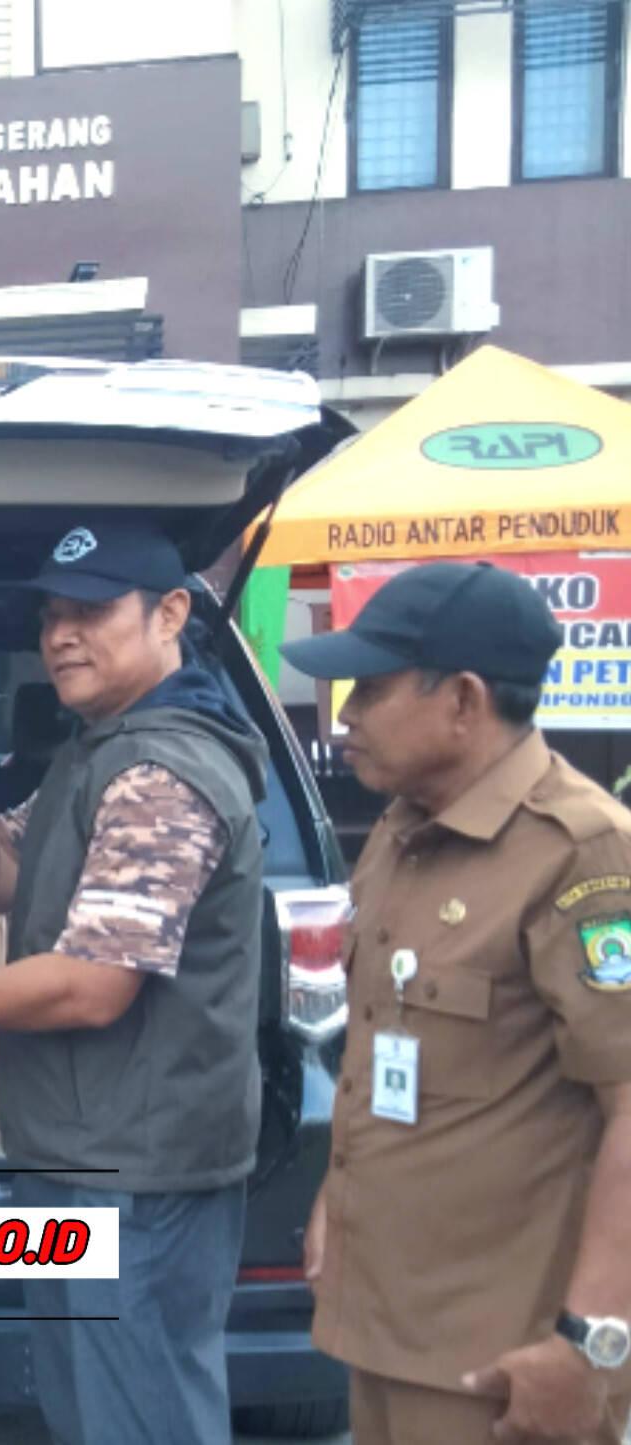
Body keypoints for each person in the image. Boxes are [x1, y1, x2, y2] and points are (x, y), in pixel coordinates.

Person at [0, 520, 269, 1445]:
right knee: (92, 1411)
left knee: (139, 1416)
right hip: (84, 1153)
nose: (61, 634)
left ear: (171, 613)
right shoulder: (99, 749)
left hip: (138, 1175)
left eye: (92, 611)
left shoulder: (160, 770)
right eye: (51, 616)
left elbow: (90, 986)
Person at [282, 561, 631, 1445]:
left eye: (373, 685)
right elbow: (381, 1045)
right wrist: (337, 1194)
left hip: (503, 1363)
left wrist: (590, 1344)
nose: (347, 712)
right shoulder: (400, 836)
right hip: (388, 1325)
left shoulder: (581, 854)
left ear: (464, 700)